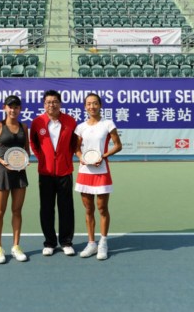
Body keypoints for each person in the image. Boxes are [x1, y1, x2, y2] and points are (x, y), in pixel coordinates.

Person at [0, 95, 30, 264]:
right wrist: (1, 160)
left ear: (20, 109)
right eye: (10, 107)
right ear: (4, 108)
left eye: (16, 107)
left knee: (17, 211)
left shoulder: (24, 127)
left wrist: (25, 161)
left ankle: (16, 246)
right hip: (3, 173)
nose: (13, 110)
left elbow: (27, 150)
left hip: (19, 174)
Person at [74, 93, 122, 260]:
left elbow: (118, 145)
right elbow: (77, 148)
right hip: (85, 172)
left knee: (102, 208)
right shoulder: (80, 127)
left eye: (95, 103)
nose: (92, 106)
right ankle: (91, 243)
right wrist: (82, 158)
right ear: (85, 107)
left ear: (100, 105)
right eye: (88, 104)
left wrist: (104, 155)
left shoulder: (108, 124)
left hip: (101, 171)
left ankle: (103, 242)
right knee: (88, 209)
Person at [30, 90, 77, 257]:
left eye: (55, 101)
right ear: (44, 105)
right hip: (46, 172)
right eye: (48, 102)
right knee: (47, 208)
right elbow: (33, 144)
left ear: (60, 103)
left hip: (65, 171)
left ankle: (66, 242)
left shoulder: (71, 121)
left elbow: (74, 144)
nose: (52, 104)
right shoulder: (37, 122)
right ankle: (49, 242)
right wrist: (42, 159)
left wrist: (66, 158)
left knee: (66, 208)